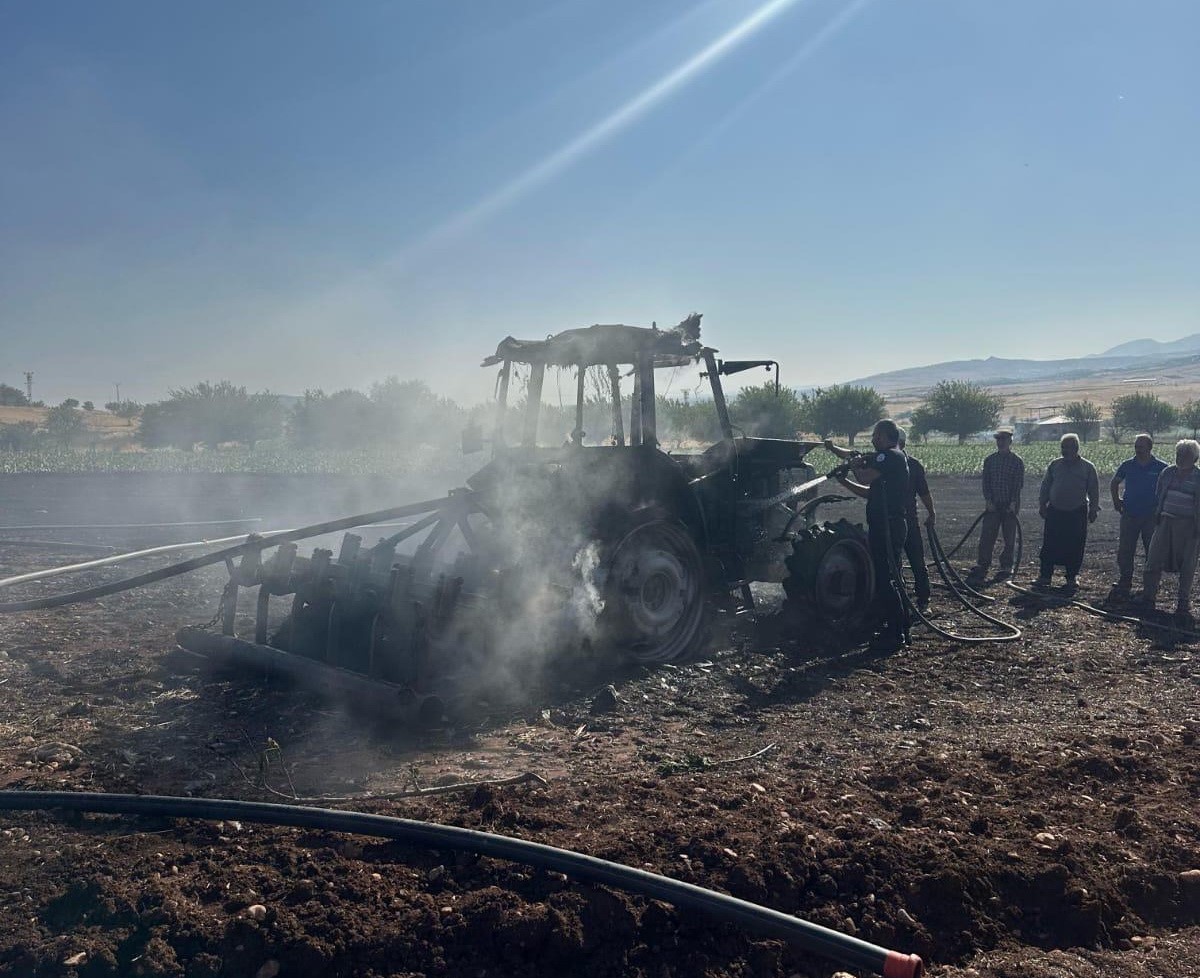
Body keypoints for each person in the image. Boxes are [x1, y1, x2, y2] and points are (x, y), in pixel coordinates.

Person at [826, 429, 935, 612]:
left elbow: (924, 492)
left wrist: (931, 513)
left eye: (878, 437)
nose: (874, 441)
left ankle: (922, 601)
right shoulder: (882, 463)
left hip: (902, 521)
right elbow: (857, 462)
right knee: (893, 568)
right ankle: (900, 605)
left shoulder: (901, 463)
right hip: (889, 522)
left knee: (916, 562)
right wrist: (835, 454)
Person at [830, 419, 911, 651]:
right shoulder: (887, 461)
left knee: (887, 579)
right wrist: (843, 480)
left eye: (876, 435)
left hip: (888, 525)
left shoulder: (891, 456)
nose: (873, 439)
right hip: (885, 524)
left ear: (885, 436)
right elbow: (869, 491)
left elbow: (864, 477)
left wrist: (854, 465)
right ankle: (898, 626)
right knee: (889, 577)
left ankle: (895, 633)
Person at [1137, 439, 1200, 619]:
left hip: (1189, 526)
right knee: (1153, 559)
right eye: (1179, 454)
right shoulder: (1167, 473)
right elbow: (1159, 494)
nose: (1180, 458)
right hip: (1165, 521)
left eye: (1185, 455)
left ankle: (1182, 603)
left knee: (1187, 565)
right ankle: (1149, 598)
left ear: (1194, 458)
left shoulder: (1198, 477)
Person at [1035, 433, 1100, 589]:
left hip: (1077, 511)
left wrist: (1093, 510)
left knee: (1075, 545)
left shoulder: (1087, 467)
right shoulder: (1054, 465)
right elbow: (1045, 486)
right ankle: (1045, 576)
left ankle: (1071, 578)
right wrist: (1042, 504)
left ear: (1076, 448)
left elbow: (1094, 490)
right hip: (1055, 511)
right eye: (1063, 447)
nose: (1064, 450)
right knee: (1050, 544)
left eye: (1068, 447)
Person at [1110, 434, 1168, 591]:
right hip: (1130, 514)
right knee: (1126, 549)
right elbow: (1114, 483)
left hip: (1151, 516)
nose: (1138, 450)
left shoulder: (1161, 467)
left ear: (1150, 447)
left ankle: (1151, 583)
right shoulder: (1127, 465)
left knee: (1152, 550)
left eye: (1141, 447)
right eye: (1136, 446)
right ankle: (1125, 579)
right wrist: (1117, 501)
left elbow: (1169, 488)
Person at [967, 428, 1024, 582]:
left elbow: (1018, 485)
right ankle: (983, 564)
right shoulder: (990, 460)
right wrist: (988, 500)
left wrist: (1013, 503)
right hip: (993, 504)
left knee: (1009, 536)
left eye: (1004, 440)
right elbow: (986, 482)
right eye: (998, 440)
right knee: (987, 535)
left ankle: (1006, 566)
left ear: (1010, 441)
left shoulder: (1017, 461)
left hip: (1010, 504)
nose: (1001, 443)